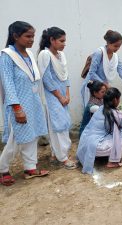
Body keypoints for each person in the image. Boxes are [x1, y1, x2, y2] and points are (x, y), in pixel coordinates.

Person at [0, 21, 49, 186]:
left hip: (33, 102)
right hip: (19, 105)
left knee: (32, 136)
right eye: (28, 36)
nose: (32, 39)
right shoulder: (7, 55)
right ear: (15, 36)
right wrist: (16, 108)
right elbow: (8, 83)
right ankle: (3, 169)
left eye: (33, 36)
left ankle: (30, 168)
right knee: (15, 139)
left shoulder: (29, 55)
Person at [37, 27, 77, 169]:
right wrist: (59, 97)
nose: (64, 44)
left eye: (64, 41)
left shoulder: (61, 55)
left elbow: (65, 76)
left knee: (64, 123)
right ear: (52, 40)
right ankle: (63, 158)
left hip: (62, 95)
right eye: (61, 41)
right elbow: (47, 79)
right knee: (58, 125)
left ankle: (56, 154)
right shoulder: (45, 54)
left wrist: (67, 94)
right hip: (52, 95)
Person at [76, 87, 122, 174]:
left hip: (85, 143)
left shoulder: (100, 108)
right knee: (121, 131)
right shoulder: (115, 113)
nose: (119, 101)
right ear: (115, 100)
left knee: (112, 130)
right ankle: (113, 161)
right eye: (119, 99)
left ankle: (98, 156)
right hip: (96, 146)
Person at [81, 30, 122, 106]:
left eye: (119, 46)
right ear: (108, 43)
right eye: (115, 46)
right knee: (91, 110)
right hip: (92, 88)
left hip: (103, 89)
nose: (117, 48)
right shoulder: (99, 53)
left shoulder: (116, 57)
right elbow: (92, 73)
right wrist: (105, 84)